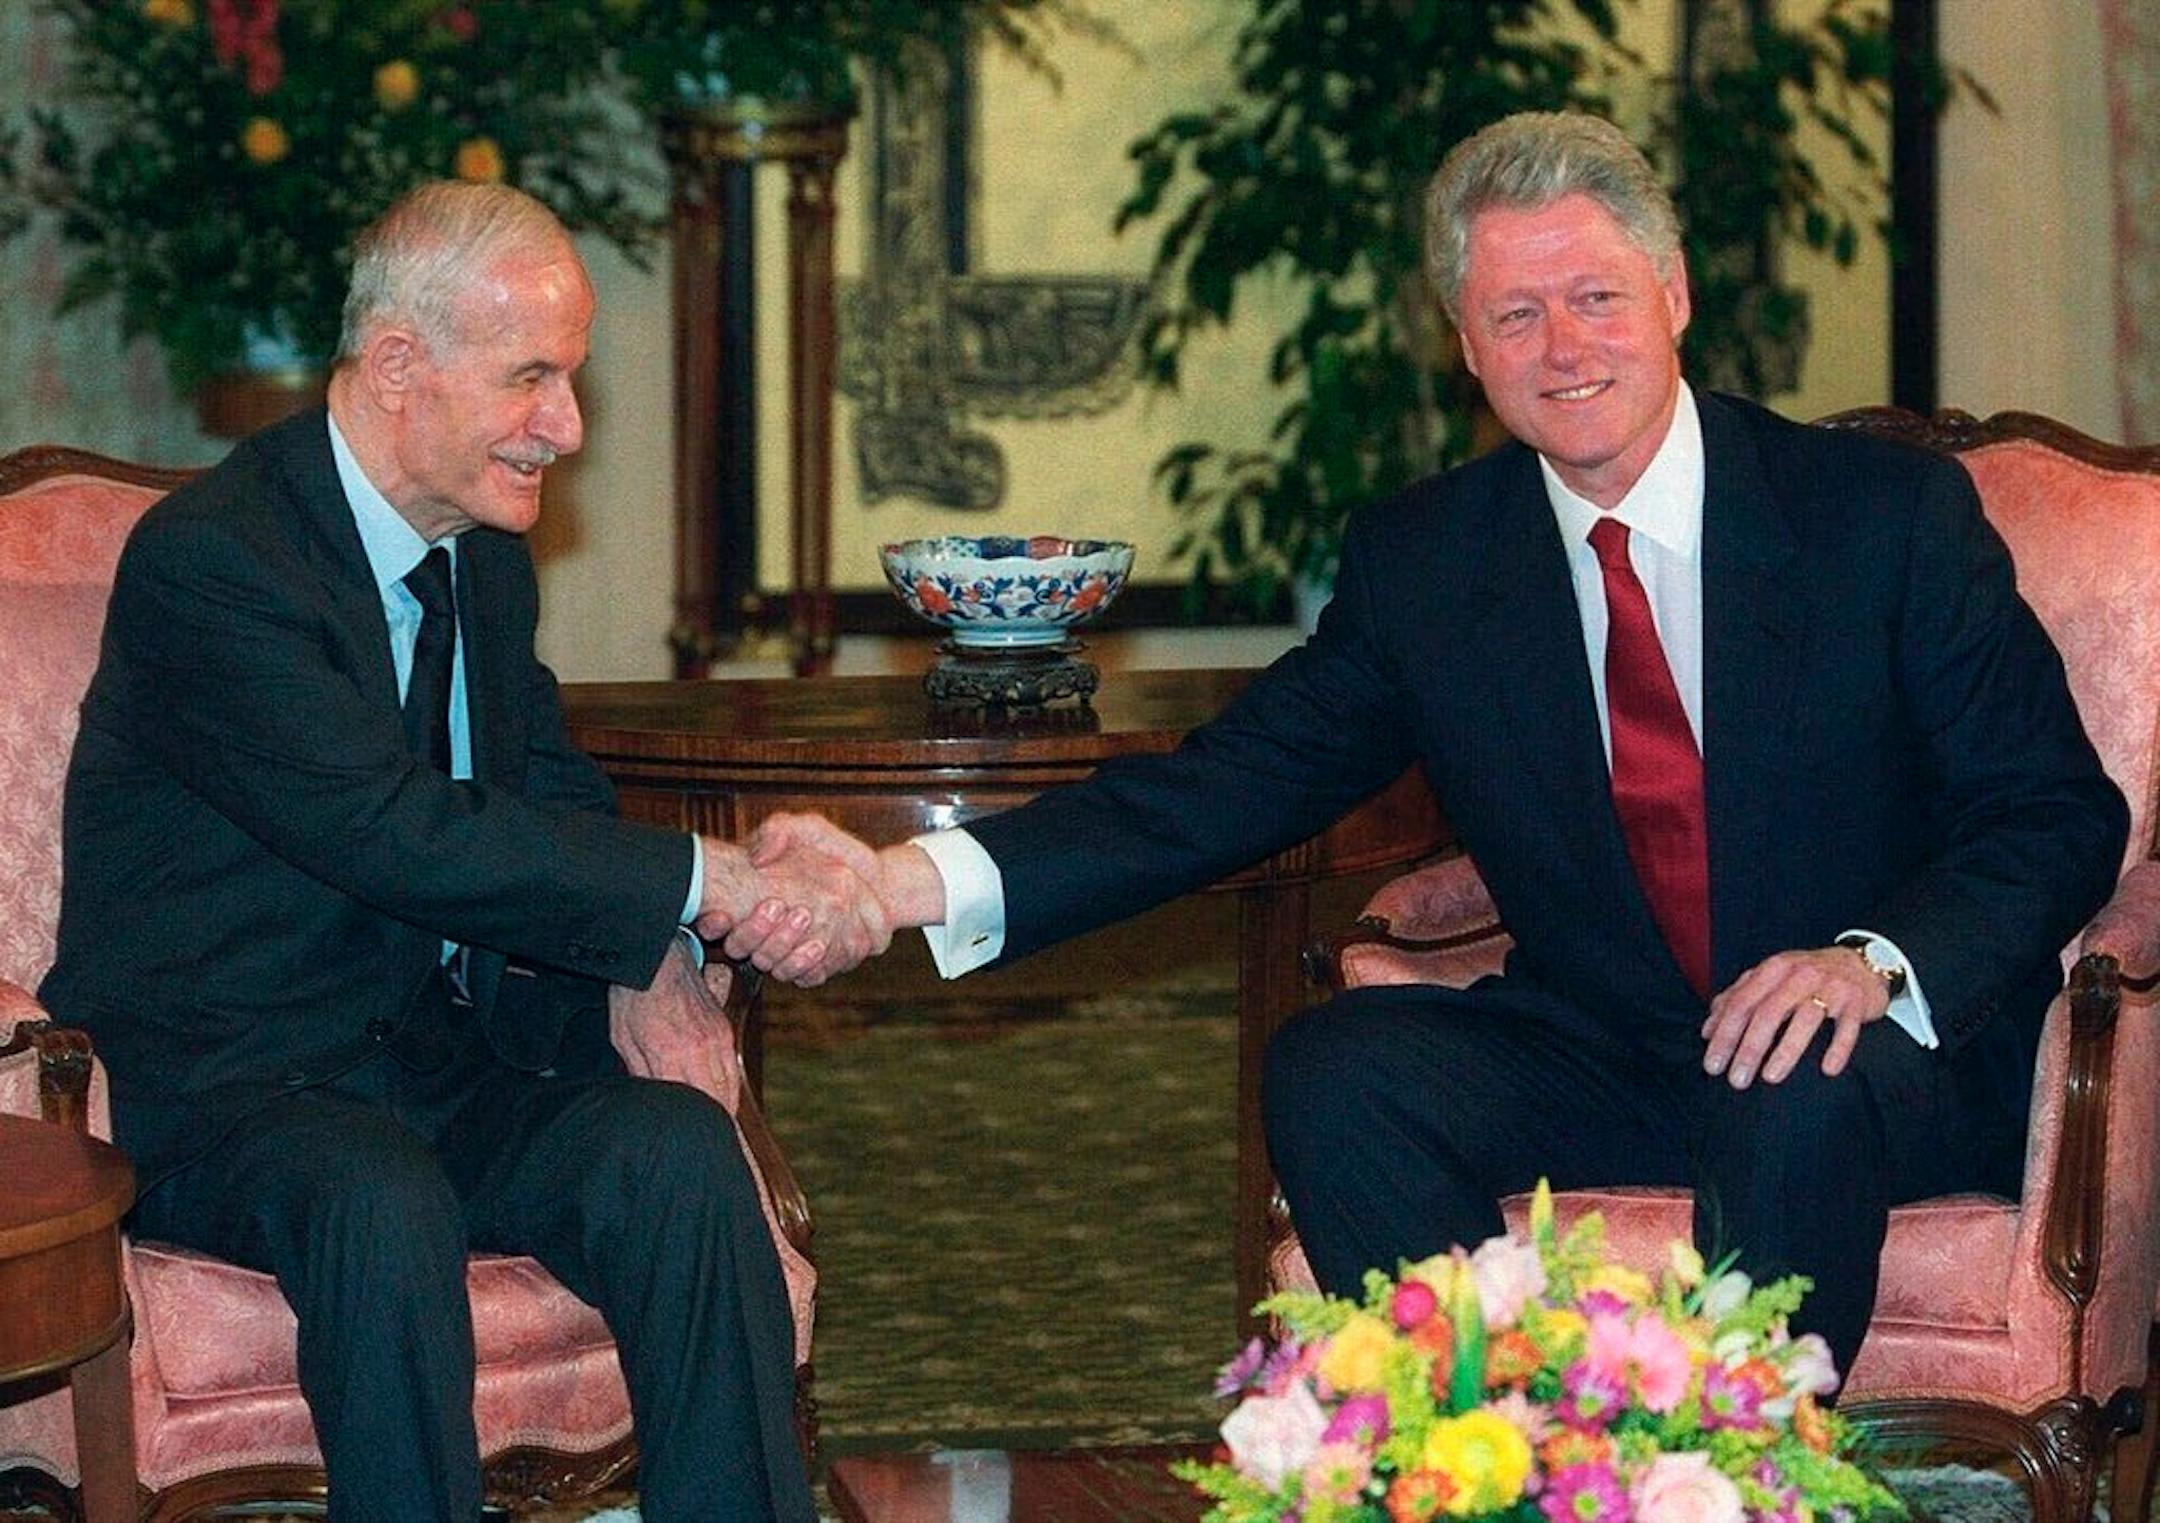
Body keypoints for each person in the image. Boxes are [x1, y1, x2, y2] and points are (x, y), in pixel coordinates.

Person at [742, 111, 2128, 1383]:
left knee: (1790, 1083)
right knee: (1338, 1071)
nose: (1564, 348)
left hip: (1874, 1058)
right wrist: (895, 885)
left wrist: (1868, 965)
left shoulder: (1879, 518)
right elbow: (1219, 788)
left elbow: (2056, 813)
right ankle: (1499, 1444)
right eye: (1516, 314)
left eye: (1597, 298)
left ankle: (1731, 1472)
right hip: (1617, 1048)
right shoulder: (1434, 565)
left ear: (1674, 296)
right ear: (1466, 345)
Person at [37, 182, 874, 1521]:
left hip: (434, 1062)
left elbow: (541, 786)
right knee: (381, 1201)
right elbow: (392, 830)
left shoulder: (479, 552)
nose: (569, 426)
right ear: (396, 368)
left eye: (571, 378)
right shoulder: (218, 565)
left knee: (675, 1156)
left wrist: (648, 953)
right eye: (531, 378)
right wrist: (706, 880)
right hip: (233, 1086)